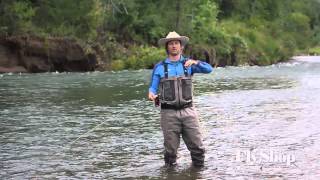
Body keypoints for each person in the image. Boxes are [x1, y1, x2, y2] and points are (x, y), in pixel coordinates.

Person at [148, 31, 213, 167]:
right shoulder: (159, 67)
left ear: (181, 46)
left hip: (189, 111)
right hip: (168, 114)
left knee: (198, 148)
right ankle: (170, 175)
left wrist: (196, 62)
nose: (173, 46)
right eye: (171, 44)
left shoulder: (188, 64)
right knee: (170, 151)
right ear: (167, 47)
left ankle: (197, 174)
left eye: (176, 43)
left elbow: (209, 69)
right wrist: (151, 94)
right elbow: (153, 88)